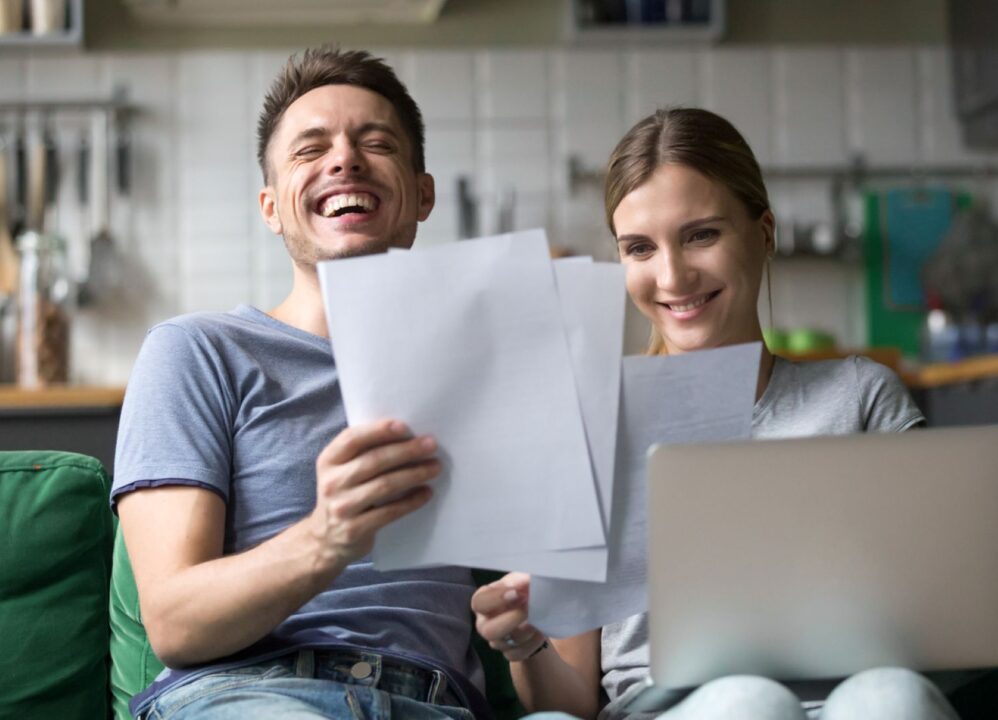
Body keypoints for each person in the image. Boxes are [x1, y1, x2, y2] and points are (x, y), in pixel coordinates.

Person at [471, 108, 972, 720]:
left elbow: (945, 607)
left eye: (701, 234)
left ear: (764, 232)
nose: (672, 275)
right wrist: (525, 644)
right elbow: (572, 699)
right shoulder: (588, 433)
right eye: (640, 248)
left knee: (893, 697)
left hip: (851, 701)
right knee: (746, 702)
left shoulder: (862, 396)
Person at [111, 47, 490, 720]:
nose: (344, 160)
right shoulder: (196, 353)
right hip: (254, 694)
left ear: (422, 194)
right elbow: (174, 622)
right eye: (309, 149)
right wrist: (328, 538)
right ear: (270, 207)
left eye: (376, 143)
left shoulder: (484, 367)